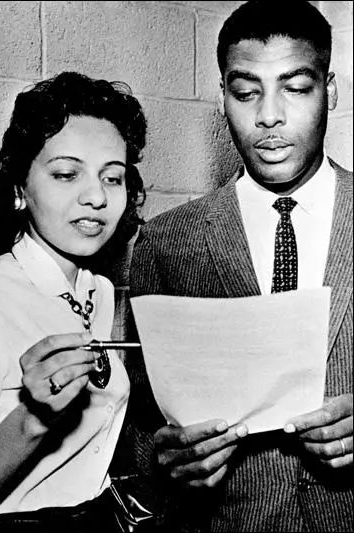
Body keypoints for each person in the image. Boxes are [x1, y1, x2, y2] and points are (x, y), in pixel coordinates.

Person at [127, 1, 353, 531]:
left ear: (332, 91)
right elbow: (138, 425)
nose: (268, 115)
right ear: (223, 99)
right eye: (246, 91)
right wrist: (166, 459)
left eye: (295, 88)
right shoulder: (166, 241)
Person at [0, 71, 152, 532]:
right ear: (20, 189)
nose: (96, 196)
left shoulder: (99, 292)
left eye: (113, 177)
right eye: (66, 173)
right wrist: (34, 417)